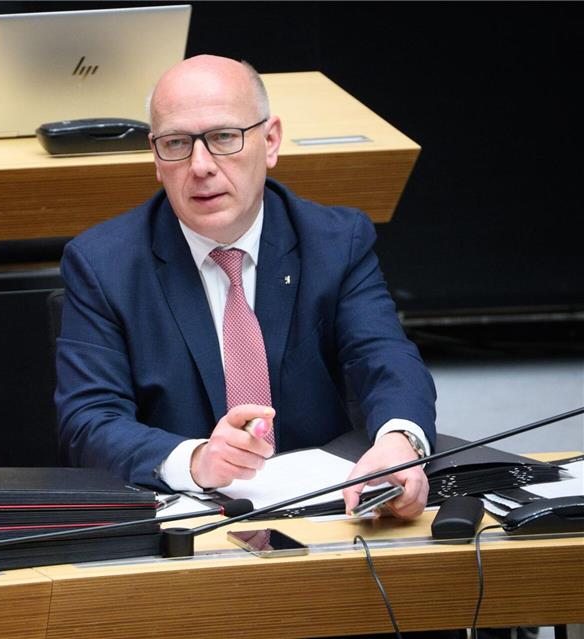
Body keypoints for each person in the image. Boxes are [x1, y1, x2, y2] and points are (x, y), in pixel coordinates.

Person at [55, 55, 437, 520]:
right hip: (188, 521)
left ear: (270, 140)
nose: (200, 166)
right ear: (156, 158)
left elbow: (386, 359)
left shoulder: (335, 242)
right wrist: (196, 460)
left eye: (222, 138)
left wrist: (400, 442)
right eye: (176, 143)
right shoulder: (103, 264)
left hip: (331, 510)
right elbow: (89, 421)